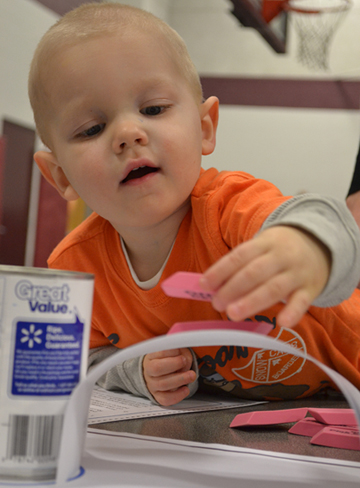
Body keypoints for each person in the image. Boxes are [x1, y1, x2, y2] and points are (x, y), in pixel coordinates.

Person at [28, 2, 360, 407]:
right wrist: (137, 370)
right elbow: (88, 356)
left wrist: (307, 245)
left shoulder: (228, 206)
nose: (128, 133)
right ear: (60, 176)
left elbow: (328, 222)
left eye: (153, 109)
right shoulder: (75, 269)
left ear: (205, 128)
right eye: (92, 128)